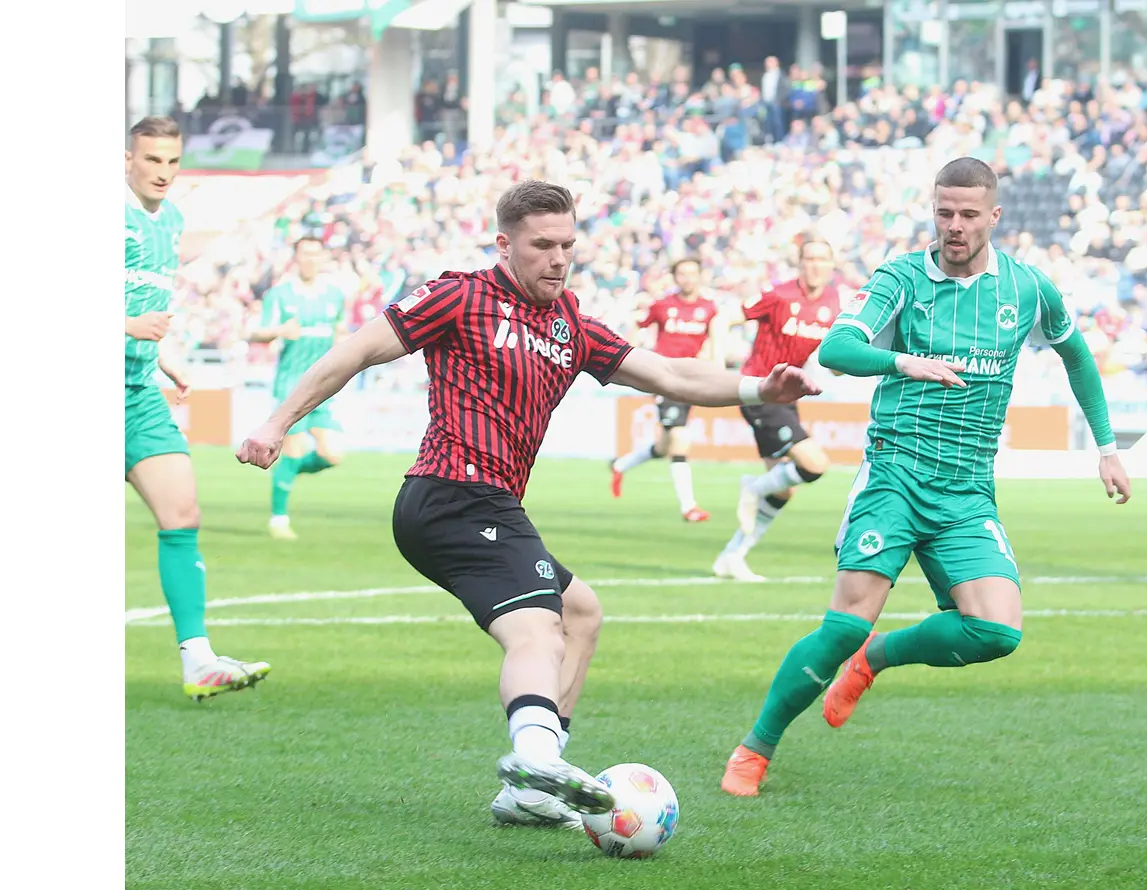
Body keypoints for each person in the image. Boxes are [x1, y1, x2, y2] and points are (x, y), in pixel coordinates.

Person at [236, 179, 821, 828]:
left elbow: (673, 375)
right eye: (542, 245)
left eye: (568, 244)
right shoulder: (460, 294)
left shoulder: (570, 322)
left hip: (487, 504)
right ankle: (535, 758)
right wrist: (276, 422)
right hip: (452, 493)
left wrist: (759, 387)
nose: (558, 258)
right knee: (538, 627)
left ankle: (531, 790)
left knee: (581, 612)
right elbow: (355, 350)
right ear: (504, 244)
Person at [719, 157, 1132, 797]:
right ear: (932, 211)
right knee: (844, 623)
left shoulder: (1027, 288)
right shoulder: (903, 277)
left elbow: (1076, 353)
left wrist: (1106, 447)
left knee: (996, 630)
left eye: (969, 214)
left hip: (967, 488)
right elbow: (836, 348)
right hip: (896, 473)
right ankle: (754, 750)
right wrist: (905, 361)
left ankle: (875, 659)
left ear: (994, 216)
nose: (955, 226)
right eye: (945, 212)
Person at [124, 116, 271, 702]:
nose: (163, 171)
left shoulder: (174, 221)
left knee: (181, 515)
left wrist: (163, 356)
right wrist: (126, 326)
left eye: (172, 161)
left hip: (136, 394)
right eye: (151, 159)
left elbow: (144, 302)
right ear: (127, 160)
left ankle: (199, 660)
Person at [711, 235, 844, 583]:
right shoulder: (778, 295)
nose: (815, 265)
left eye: (821, 259)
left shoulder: (833, 303)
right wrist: (716, 362)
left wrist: (843, 361)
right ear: (800, 264)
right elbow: (722, 319)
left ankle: (732, 556)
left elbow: (834, 363)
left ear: (831, 266)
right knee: (815, 464)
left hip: (786, 398)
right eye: (809, 259)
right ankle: (752, 487)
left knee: (783, 489)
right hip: (759, 390)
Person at [246, 236, 351, 539]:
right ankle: (278, 519)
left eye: (316, 254)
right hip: (291, 386)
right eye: (305, 254)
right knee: (297, 446)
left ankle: (286, 471)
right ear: (296, 257)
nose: (311, 260)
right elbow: (256, 332)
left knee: (333, 454)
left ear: (323, 258)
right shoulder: (280, 295)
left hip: (325, 387)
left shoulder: (334, 296)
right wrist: (279, 331)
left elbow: (341, 330)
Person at [609, 258, 721, 522]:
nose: (688, 278)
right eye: (682, 273)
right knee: (681, 439)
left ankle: (621, 465)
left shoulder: (708, 309)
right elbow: (639, 323)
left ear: (700, 276)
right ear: (675, 277)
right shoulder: (663, 306)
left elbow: (715, 342)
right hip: (666, 378)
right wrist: (631, 354)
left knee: (664, 445)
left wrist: (715, 368)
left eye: (692, 273)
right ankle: (689, 507)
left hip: (692, 379)